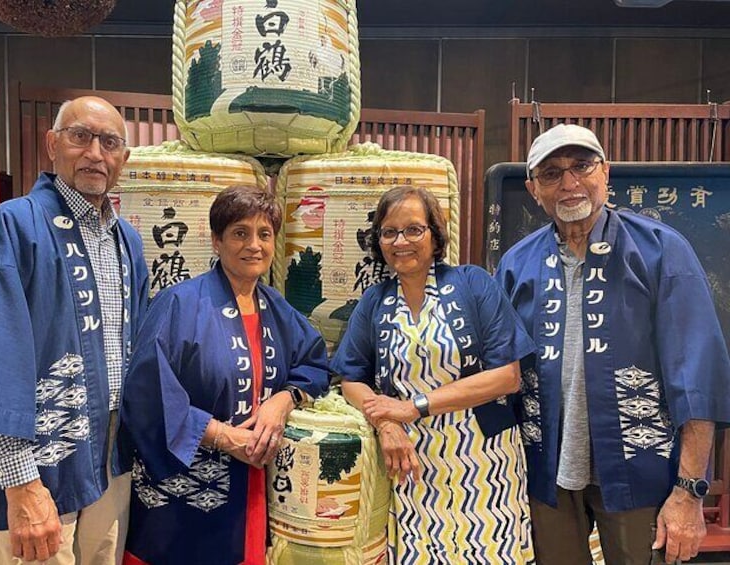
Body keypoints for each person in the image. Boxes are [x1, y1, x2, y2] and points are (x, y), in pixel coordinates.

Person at [496, 123, 730, 564]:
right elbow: (496, 371)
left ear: (605, 172)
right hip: (545, 473)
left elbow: (697, 379)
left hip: (641, 470)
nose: (569, 183)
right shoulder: (516, 264)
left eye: (581, 166)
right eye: (551, 173)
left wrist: (689, 491)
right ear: (533, 189)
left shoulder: (661, 251)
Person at [0, 96, 149, 563]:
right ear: (52, 144)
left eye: (109, 142)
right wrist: (21, 485)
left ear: (123, 158)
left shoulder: (128, 242)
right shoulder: (14, 225)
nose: (95, 154)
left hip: (108, 459)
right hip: (37, 466)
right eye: (80, 137)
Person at [118, 185, 330, 565]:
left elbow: (315, 364)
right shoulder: (180, 303)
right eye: (240, 233)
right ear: (216, 241)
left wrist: (283, 400)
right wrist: (220, 436)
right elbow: (145, 392)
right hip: (184, 497)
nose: (254, 245)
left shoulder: (277, 310)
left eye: (264, 234)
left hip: (249, 486)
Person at [331, 186, 536, 564]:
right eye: (389, 232)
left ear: (435, 234)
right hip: (411, 462)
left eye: (413, 229)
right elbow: (350, 380)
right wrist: (385, 425)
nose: (400, 241)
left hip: (484, 462)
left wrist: (413, 407)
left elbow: (507, 376)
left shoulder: (473, 283)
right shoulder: (374, 301)